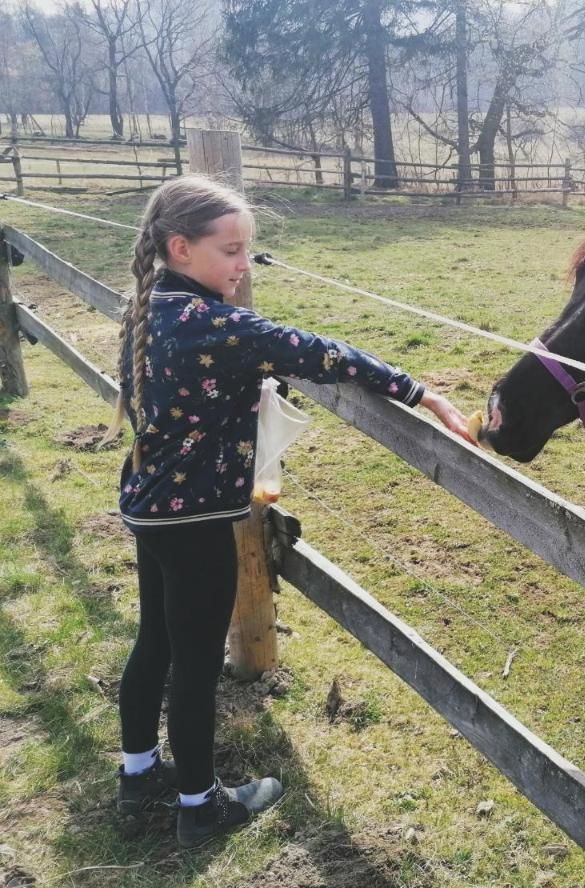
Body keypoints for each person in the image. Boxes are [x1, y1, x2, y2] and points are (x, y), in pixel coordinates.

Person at [101, 175, 475, 848]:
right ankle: (199, 806)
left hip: (149, 509)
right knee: (191, 662)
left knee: (153, 644)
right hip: (194, 522)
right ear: (181, 248)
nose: (245, 265)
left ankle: (138, 775)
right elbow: (323, 353)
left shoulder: (150, 305)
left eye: (248, 250)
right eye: (232, 250)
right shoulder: (217, 323)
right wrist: (423, 394)